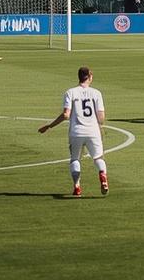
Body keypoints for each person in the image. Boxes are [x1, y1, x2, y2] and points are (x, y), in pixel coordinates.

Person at [38, 66, 109, 198]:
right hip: (93, 132)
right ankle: (102, 175)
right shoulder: (96, 93)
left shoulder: (70, 92)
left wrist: (49, 126)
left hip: (76, 132)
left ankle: (77, 187)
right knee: (98, 157)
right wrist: (100, 125)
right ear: (89, 76)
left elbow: (66, 115)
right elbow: (101, 117)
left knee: (75, 159)